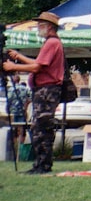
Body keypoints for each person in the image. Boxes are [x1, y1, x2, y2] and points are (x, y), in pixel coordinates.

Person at [3, 11, 66, 174]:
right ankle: (41, 164)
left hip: (47, 90)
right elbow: (39, 63)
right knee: (41, 126)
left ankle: (43, 165)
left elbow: (38, 67)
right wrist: (20, 57)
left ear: (49, 27)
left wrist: (14, 66)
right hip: (45, 90)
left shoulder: (51, 43)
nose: (38, 28)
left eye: (41, 25)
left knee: (41, 127)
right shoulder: (53, 43)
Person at [5, 74, 31, 149]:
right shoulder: (25, 89)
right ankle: (21, 147)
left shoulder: (10, 89)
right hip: (22, 111)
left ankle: (15, 148)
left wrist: (8, 109)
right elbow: (30, 98)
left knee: (14, 130)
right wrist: (26, 105)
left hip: (13, 112)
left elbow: (8, 100)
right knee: (22, 129)